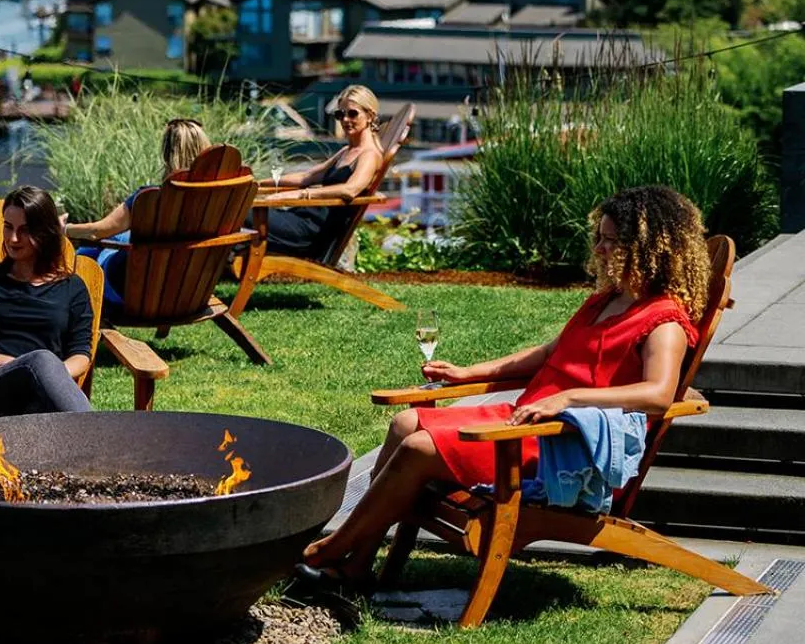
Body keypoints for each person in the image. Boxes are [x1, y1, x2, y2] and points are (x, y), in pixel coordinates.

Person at [298, 185, 708, 593]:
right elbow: (550, 352)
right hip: (524, 421)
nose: (599, 249)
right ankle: (358, 564)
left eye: (611, 241)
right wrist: (468, 372)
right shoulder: (605, 300)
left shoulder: (664, 321)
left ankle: (332, 549)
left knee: (419, 449)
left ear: (648, 247)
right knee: (406, 422)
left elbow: (657, 393)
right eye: (599, 238)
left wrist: (568, 398)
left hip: (559, 448)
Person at [0, 185, 96, 421]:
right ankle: (98, 436)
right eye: (8, 227)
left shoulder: (72, 288)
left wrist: (48, 376)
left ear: (45, 232)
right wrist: (22, 367)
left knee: (42, 365)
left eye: (25, 230)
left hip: (41, 399)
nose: (13, 238)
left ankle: (90, 441)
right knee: (40, 360)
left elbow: (81, 354)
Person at [63, 117, 211, 304]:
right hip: (189, 292)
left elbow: (96, 232)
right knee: (120, 236)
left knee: (88, 254)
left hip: (132, 291)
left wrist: (64, 229)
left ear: (167, 155)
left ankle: (61, 292)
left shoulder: (149, 198)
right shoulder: (219, 201)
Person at [257, 85, 386, 259]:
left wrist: (302, 195)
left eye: (353, 113)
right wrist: (257, 183)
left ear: (370, 116)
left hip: (309, 232)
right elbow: (306, 177)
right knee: (238, 212)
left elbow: (351, 189)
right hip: (300, 219)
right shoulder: (347, 151)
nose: (346, 120)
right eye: (340, 115)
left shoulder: (369, 155)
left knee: (239, 213)